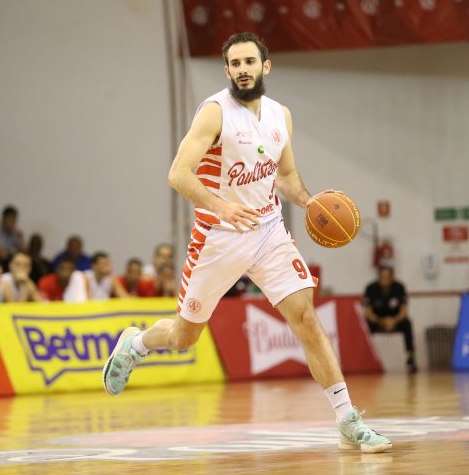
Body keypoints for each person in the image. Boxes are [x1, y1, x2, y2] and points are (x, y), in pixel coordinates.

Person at [101, 32, 391, 453]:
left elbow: (285, 175)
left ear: (265, 66)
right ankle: (136, 344)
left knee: (306, 317)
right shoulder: (215, 113)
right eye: (235, 63)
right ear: (227, 71)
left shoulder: (280, 116)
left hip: (269, 230)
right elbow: (178, 173)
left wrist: (309, 202)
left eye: (249, 62)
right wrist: (221, 207)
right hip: (218, 237)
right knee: (184, 337)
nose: (242, 69)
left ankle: (348, 419)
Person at [362, 265, 417, 373]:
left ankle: (410, 359)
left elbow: (404, 311)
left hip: (395, 320)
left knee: (407, 323)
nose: (385, 280)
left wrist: (393, 321)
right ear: (379, 277)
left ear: (392, 277)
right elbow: (367, 312)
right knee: (365, 326)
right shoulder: (371, 288)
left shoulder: (399, 288)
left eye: (388, 277)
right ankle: (366, 359)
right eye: (383, 277)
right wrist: (381, 321)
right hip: (377, 320)